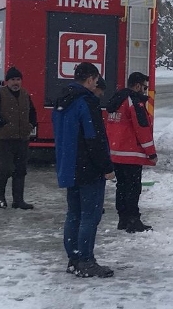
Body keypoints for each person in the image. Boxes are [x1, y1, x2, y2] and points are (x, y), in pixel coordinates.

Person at [52, 62, 115, 278]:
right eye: (96, 80)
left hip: (69, 166)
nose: (96, 84)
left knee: (73, 214)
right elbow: (94, 138)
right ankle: (86, 261)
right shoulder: (86, 103)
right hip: (88, 168)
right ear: (90, 80)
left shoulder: (62, 101)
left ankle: (74, 259)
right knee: (90, 216)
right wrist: (106, 166)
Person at [105, 71, 157, 233]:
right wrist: (151, 153)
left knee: (122, 187)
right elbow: (142, 129)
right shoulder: (134, 102)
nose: (144, 90)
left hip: (116, 153)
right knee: (133, 188)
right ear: (137, 86)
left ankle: (123, 219)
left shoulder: (117, 100)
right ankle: (133, 221)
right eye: (144, 87)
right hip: (131, 154)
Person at [0, 67, 37, 209]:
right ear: (7, 81)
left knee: (20, 170)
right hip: (4, 139)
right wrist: (3, 123)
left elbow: (33, 112)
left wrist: (31, 125)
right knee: (6, 168)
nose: (16, 82)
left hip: (22, 139)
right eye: (13, 80)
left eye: (18, 79)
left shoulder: (25, 94)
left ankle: (18, 200)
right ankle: (0, 197)